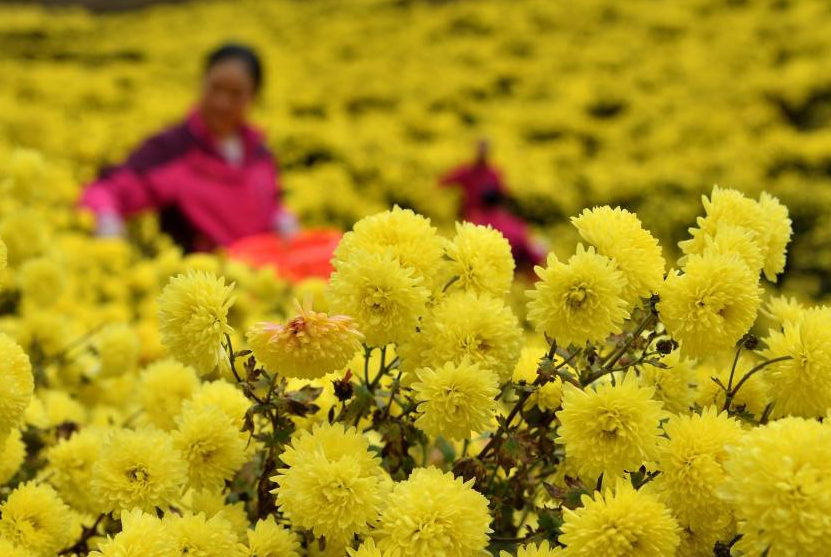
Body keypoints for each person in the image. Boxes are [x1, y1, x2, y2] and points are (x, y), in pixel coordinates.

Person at [80, 43, 297, 252]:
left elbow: (269, 204)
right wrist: (106, 220)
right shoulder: (171, 148)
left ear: (253, 96)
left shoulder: (260, 153)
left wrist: (279, 217)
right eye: (215, 88)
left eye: (235, 93)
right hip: (194, 282)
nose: (221, 102)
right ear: (202, 83)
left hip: (262, 273)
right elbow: (105, 189)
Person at [440, 139, 545, 268]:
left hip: (472, 223)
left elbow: (442, 183)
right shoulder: (517, 226)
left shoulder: (493, 173)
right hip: (473, 219)